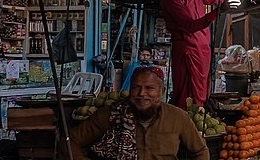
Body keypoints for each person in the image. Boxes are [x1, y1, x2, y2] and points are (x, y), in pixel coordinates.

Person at [70, 67, 207, 160]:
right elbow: (70, 141)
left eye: (149, 88)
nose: (142, 94)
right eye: (136, 88)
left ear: (162, 91)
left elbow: (200, 151)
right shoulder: (111, 114)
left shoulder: (178, 117)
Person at [159, 0, 225, 107]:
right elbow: (189, 26)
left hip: (203, 48)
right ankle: (188, 118)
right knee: (188, 91)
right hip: (187, 48)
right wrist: (218, 12)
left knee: (202, 88)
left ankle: (201, 112)